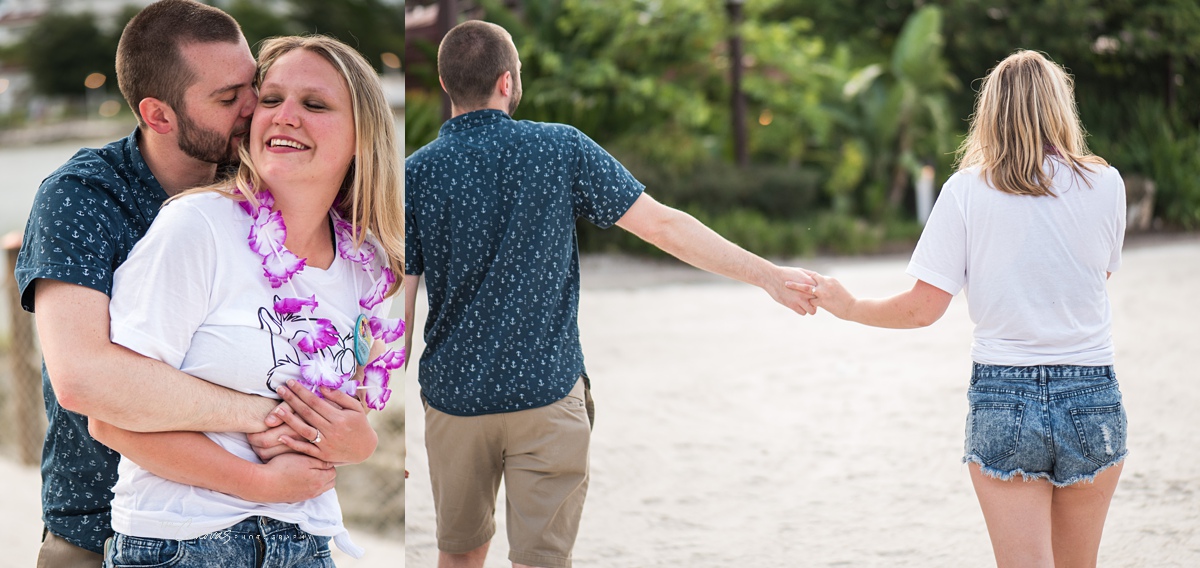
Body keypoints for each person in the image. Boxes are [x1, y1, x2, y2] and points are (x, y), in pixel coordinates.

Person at [404, 20, 816, 568]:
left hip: (455, 404)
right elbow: (664, 226)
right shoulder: (560, 148)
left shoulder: (416, 174)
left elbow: (397, 307)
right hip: (546, 394)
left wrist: (375, 413)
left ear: (445, 84)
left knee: (457, 555)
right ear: (507, 81)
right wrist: (766, 275)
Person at [14, 2, 322, 565]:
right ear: (158, 115)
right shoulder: (82, 198)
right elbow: (84, 381)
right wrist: (262, 413)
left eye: (252, 84)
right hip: (101, 530)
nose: (255, 108)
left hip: (255, 530)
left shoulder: (262, 188)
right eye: (228, 99)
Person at [794, 50, 1127, 568]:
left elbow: (923, 309)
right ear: (1061, 108)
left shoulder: (965, 191)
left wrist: (851, 306)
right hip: (1091, 395)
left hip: (1004, 396)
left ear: (990, 111)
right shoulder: (1106, 185)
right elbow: (1092, 279)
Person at [87, 34, 404, 564]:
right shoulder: (198, 227)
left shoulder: (367, 266)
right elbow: (110, 415)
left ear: (361, 138)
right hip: (183, 543)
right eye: (272, 99)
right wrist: (258, 484)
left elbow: (338, 418)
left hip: (307, 541)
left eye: (315, 104)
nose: (284, 116)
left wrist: (359, 444)